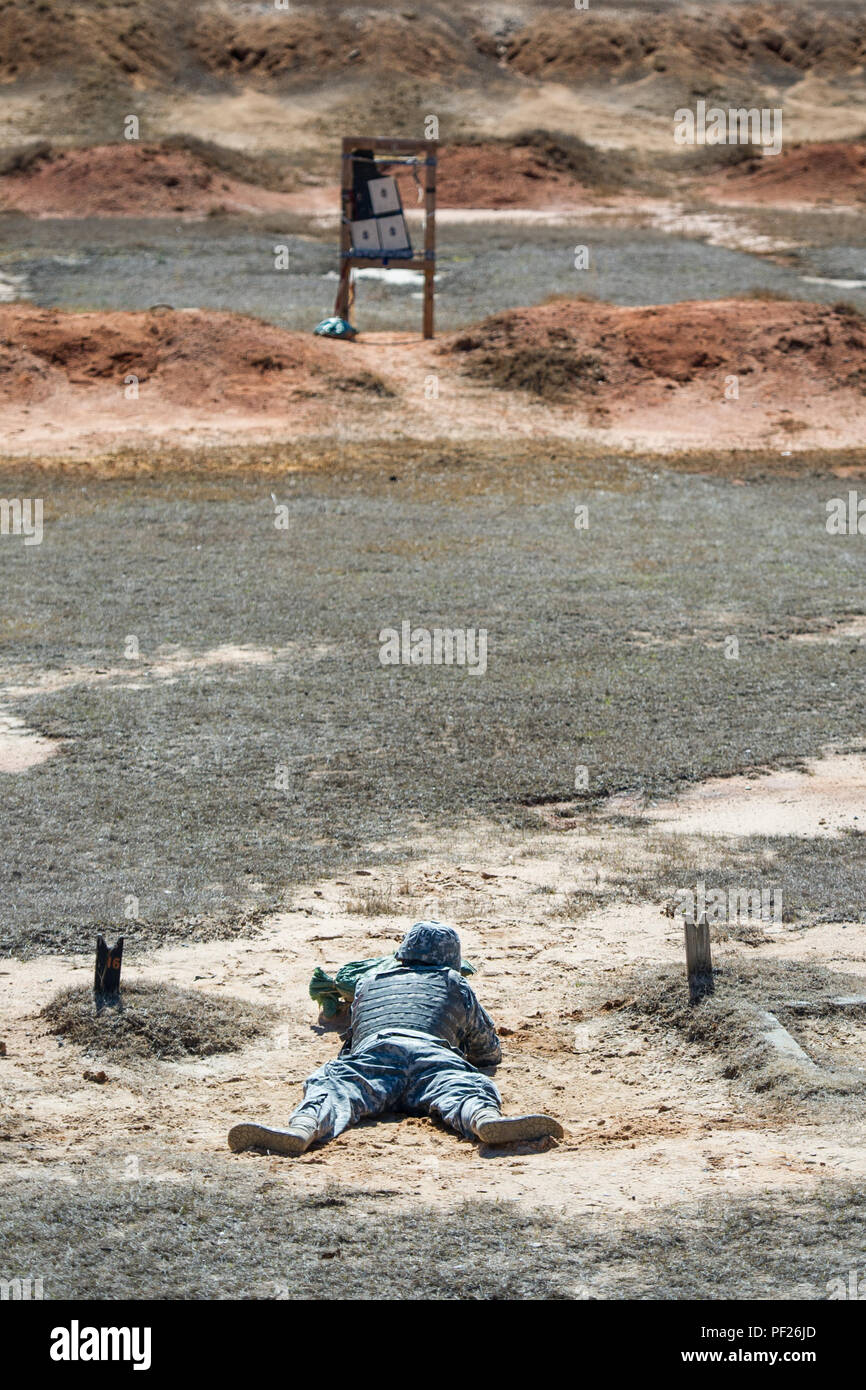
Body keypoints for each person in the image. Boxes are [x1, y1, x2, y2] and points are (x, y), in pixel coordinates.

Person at [228, 920, 563, 1156]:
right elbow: (488, 1052)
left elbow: (353, 1044)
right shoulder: (454, 982)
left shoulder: (368, 982)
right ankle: (484, 1119)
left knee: (333, 1088)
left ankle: (302, 1128)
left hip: (377, 1052)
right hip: (432, 1054)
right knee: (465, 1089)